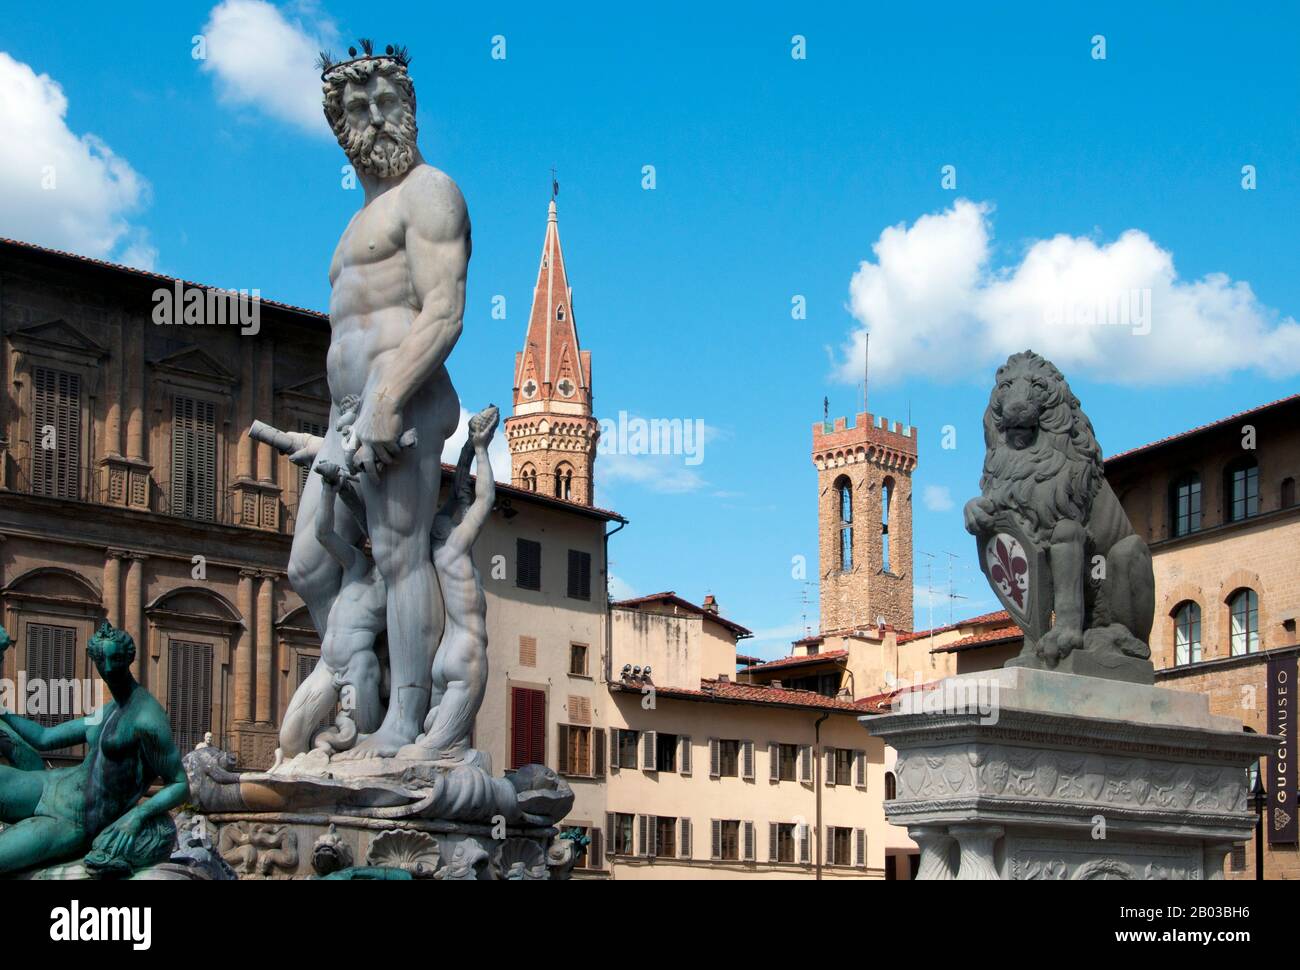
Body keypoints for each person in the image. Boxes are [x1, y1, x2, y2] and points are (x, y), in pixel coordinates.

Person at [0, 623, 189, 874]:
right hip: (48, 785)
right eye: (102, 659)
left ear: (128, 658)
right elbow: (44, 737)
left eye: (116, 659)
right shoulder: (106, 711)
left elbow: (180, 784)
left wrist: (138, 815)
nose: (109, 667)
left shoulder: (147, 718)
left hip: (73, 820)